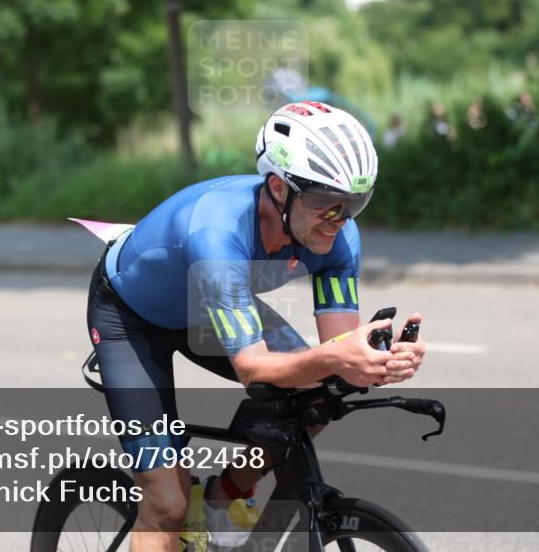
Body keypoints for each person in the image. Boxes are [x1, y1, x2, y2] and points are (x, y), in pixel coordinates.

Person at [86, 102, 426, 551]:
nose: (340, 221)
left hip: (209, 304)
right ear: (278, 190)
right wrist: (334, 358)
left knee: (317, 397)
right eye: (326, 204)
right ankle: (183, 511)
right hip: (130, 317)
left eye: (355, 204)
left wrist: (377, 361)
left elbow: (338, 351)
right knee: (167, 504)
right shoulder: (216, 231)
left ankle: (223, 495)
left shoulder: (339, 235)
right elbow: (253, 369)